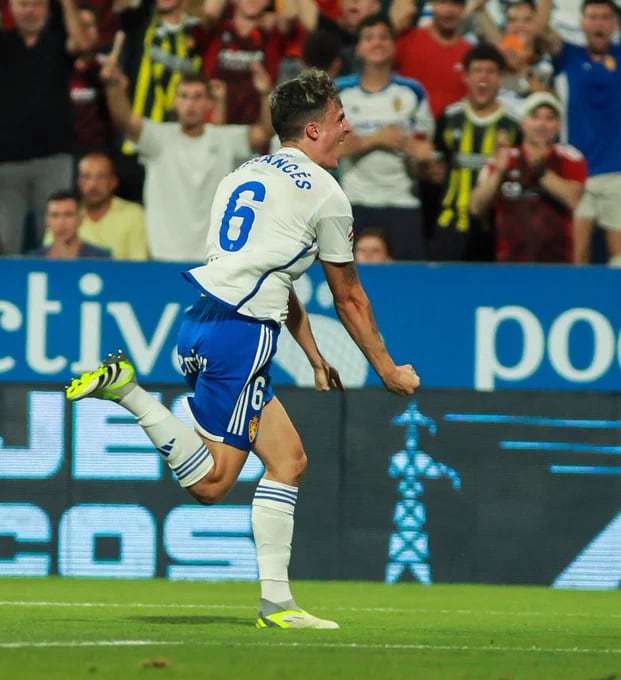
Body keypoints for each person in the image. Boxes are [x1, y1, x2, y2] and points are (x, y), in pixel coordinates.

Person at [65, 68, 420, 629]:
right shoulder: (327, 193)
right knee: (211, 483)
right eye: (337, 120)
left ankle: (277, 604)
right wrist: (388, 370)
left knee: (288, 461)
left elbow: (278, 276)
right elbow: (348, 296)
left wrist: (312, 354)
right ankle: (129, 392)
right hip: (241, 335)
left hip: (203, 321)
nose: (348, 129)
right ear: (311, 131)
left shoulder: (243, 174)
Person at [101, 58, 273, 261]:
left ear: (210, 103)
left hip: (212, 258)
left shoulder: (225, 138)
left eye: (197, 97)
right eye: (184, 96)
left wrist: (266, 94)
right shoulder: (157, 138)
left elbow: (264, 132)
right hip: (163, 255)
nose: (190, 104)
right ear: (175, 102)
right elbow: (124, 119)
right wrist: (112, 86)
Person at [336, 14, 434, 260]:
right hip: (354, 201)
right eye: (369, 38)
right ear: (358, 48)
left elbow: (425, 151)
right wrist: (378, 138)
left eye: (383, 37)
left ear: (393, 45)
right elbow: (330, 150)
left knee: (408, 284)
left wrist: (423, 156)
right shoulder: (340, 92)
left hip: (402, 202)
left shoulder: (413, 92)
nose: (377, 43)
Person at [536, 0, 621, 264]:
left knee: (618, 259)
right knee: (578, 256)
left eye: (605, 17)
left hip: (617, 173)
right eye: (593, 17)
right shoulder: (568, 55)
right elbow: (539, 33)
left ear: (615, 25)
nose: (599, 23)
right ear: (582, 23)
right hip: (576, 173)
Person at [0, 0, 88, 253]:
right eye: (22, 4)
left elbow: (83, 45)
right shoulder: (3, 43)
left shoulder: (59, 39)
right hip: (6, 162)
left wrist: (68, 4)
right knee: (6, 242)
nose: (29, 11)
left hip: (54, 157)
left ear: (49, 8)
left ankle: (55, 291)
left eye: (36, 4)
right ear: (11, 8)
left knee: (55, 240)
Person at [429, 43, 522, 261]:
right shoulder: (449, 118)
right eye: (477, 71)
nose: (484, 78)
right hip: (450, 222)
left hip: (497, 226)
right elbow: (436, 166)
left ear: (501, 78)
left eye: (490, 72)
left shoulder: (514, 125)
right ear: (466, 77)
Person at [470, 91, 587, 262]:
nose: (542, 124)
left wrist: (542, 172)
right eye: (535, 117)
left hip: (558, 264)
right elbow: (475, 207)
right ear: (523, 123)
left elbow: (575, 200)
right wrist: (499, 172)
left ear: (558, 125)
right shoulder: (505, 157)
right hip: (510, 264)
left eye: (549, 118)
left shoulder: (570, 157)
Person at [77, 152, 149, 260]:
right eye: (87, 177)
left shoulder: (133, 214)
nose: (93, 184)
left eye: (101, 177)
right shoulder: (67, 214)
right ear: (79, 183)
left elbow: (139, 266)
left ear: (113, 182)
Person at [30, 190, 112, 258]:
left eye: (68, 215)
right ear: (47, 220)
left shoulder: (100, 258)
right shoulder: (34, 260)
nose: (61, 222)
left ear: (80, 219)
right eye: (55, 215)